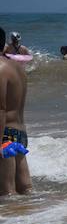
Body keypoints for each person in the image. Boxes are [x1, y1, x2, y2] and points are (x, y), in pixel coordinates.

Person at [0, 27, 32, 195]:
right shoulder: (18, 68)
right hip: (20, 132)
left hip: (5, 134)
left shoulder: (0, 67)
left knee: (7, 193)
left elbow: (1, 108)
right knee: (26, 190)